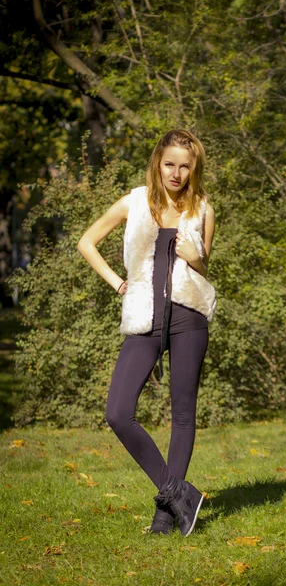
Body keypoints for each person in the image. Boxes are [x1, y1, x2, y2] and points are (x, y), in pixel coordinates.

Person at [77, 129, 216, 537]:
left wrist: (196, 256)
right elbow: (87, 242)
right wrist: (118, 284)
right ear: (158, 162)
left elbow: (205, 268)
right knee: (118, 412)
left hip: (189, 316)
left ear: (194, 169)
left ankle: (166, 516)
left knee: (183, 415)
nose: (176, 173)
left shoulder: (203, 208)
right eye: (169, 164)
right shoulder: (134, 201)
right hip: (144, 317)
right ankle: (177, 493)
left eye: (184, 166)